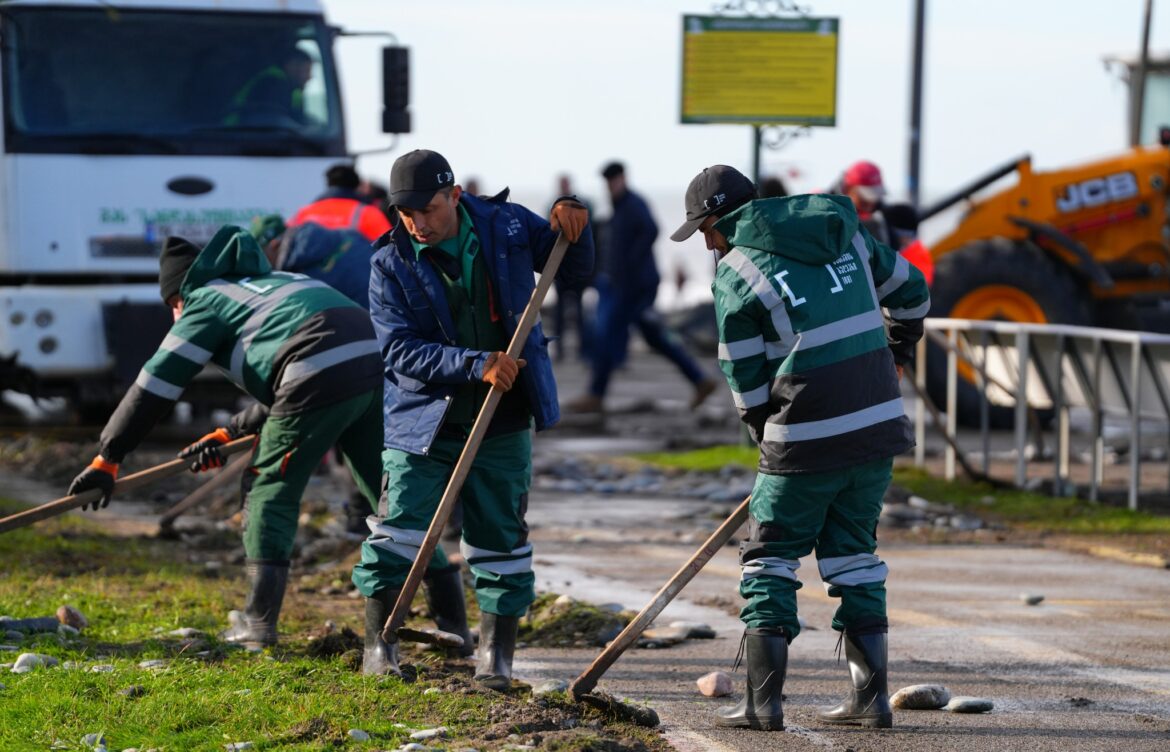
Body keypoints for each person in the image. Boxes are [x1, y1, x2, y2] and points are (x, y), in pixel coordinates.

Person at [65, 226, 468, 652]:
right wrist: (230, 431)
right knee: (391, 503)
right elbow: (296, 379)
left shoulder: (205, 300)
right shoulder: (278, 282)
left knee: (267, 488)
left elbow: (156, 384)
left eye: (172, 306)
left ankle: (257, 624)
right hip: (373, 368)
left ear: (179, 296)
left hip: (320, 365)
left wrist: (108, 458)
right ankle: (454, 623)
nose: (175, 316)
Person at [672, 165, 930, 731]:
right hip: (878, 428)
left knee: (769, 557)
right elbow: (913, 292)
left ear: (722, 220)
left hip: (804, 435)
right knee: (855, 556)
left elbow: (744, 379)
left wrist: (767, 436)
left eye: (706, 232)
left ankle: (763, 704)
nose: (709, 244)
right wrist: (898, 349)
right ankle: (871, 701)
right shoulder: (846, 233)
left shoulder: (737, 272)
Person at [349, 149, 593, 686]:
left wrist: (574, 216)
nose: (416, 223)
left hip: (503, 415)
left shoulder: (505, 225)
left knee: (500, 535)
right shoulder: (389, 261)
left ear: (455, 197)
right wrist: (475, 363)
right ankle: (379, 647)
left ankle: (495, 659)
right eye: (405, 213)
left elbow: (572, 268)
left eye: (428, 210)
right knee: (398, 530)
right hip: (422, 420)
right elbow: (399, 352)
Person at [565, 161, 716, 413]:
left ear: (622, 178)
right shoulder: (619, 207)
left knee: (608, 336)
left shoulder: (633, 204)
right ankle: (699, 380)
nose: (610, 186)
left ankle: (595, 394)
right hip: (620, 285)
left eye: (613, 180)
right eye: (607, 182)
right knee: (647, 336)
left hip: (631, 288)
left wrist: (630, 268)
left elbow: (651, 230)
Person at [549, 173, 595, 362]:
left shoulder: (583, 206)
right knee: (559, 311)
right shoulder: (552, 207)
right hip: (559, 267)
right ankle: (560, 349)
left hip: (576, 266)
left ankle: (583, 350)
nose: (564, 186)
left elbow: (592, 235)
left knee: (579, 310)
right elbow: (547, 234)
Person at [289, 163, 392, 242]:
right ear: (356, 186)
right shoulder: (368, 213)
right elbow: (389, 247)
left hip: (305, 270)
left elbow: (283, 244)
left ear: (329, 184)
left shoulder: (303, 212)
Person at [224, 48, 314, 126]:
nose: (309, 77)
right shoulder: (272, 83)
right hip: (234, 135)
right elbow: (272, 121)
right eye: (306, 70)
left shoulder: (293, 90)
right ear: (291, 66)